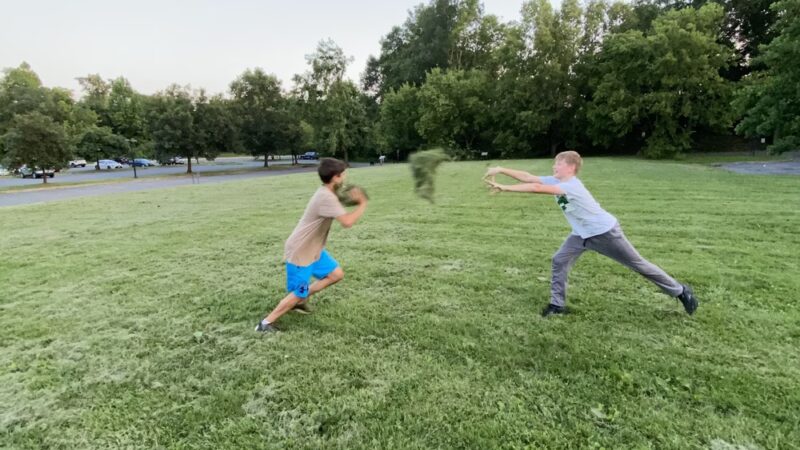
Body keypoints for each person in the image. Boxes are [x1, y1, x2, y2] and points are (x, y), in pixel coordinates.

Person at [484, 151, 698, 317]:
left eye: (557, 163)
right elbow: (529, 177)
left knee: (638, 265)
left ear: (570, 166)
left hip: (605, 233)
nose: (553, 166)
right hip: (580, 235)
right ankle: (557, 306)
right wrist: (501, 168)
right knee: (559, 260)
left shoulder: (572, 186)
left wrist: (505, 188)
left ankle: (680, 291)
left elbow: (537, 188)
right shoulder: (557, 181)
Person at [255, 158, 368, 332]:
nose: (345, 177)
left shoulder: (327, 192)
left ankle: (300, 300)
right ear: (335, 177)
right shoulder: (326, 197)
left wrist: (350, 198)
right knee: (298, 292)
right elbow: (347, 222)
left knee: (336, 274)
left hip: (313, 249)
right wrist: (362, 203)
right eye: (343, 174)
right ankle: (265, 324)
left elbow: (339, 201)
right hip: (301, 252)